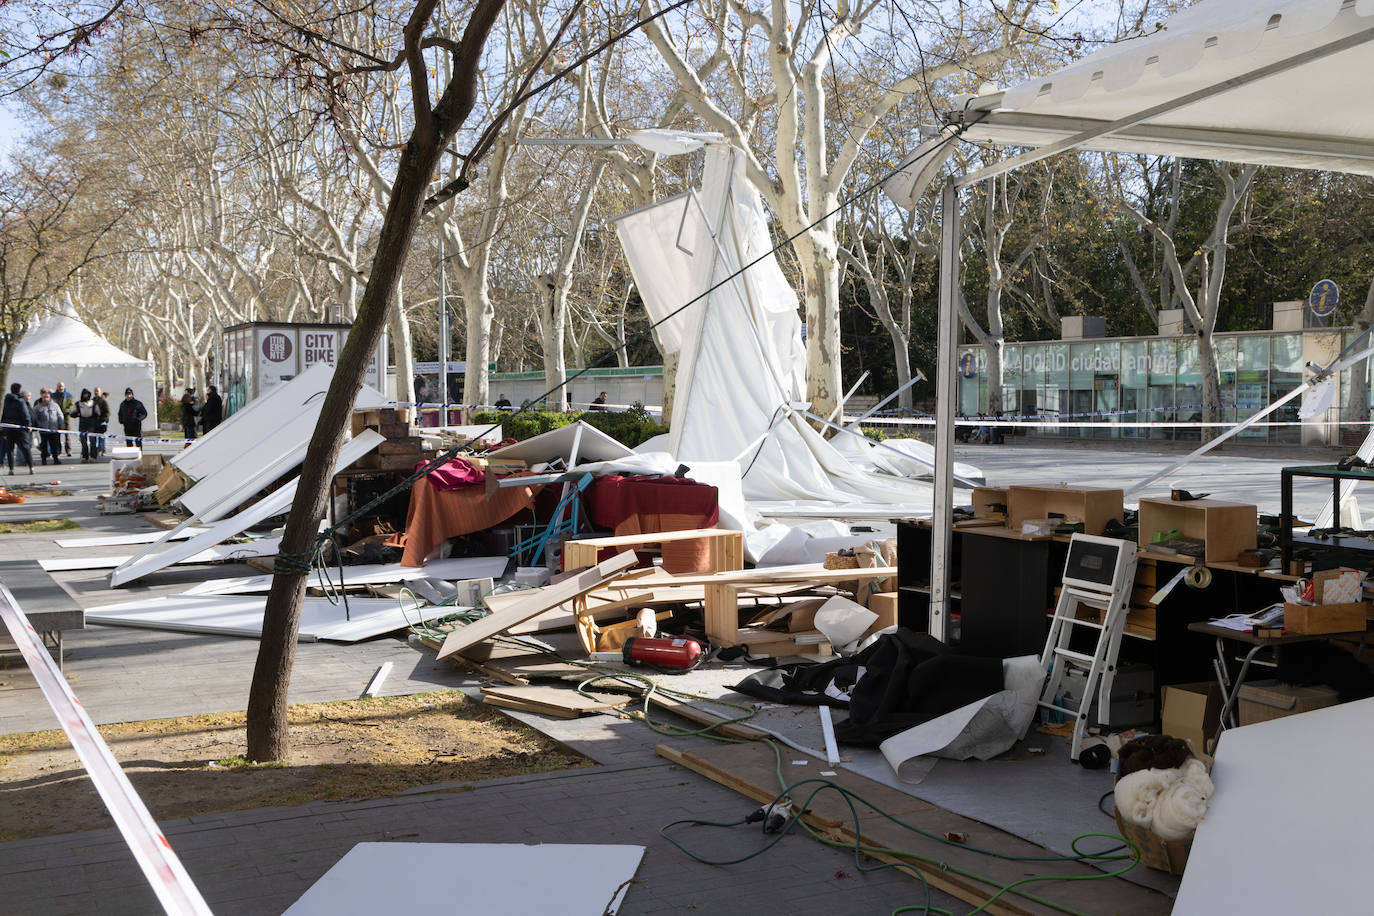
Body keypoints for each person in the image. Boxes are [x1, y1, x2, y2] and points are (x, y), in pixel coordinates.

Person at [1, 382, 33, 475]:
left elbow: (3, 415)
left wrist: (3, 429)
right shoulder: (20, 401)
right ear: (19, 390)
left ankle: (11, 469)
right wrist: (28, 425)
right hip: (20, 429)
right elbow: (25, 415)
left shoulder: (6, 401)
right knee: (26, 448)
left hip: (9, 428)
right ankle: (31, 467)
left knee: (10, 449)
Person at [32, 388, 65, 465]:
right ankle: (44, 459)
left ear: (50, 398)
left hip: (54, 429)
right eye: (44, 397)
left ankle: (56, 459)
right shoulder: (38, 407)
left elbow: (60, 415)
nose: (45, 399)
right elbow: (34, 417)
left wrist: (61, 425)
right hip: (44, 430)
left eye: (47, 397)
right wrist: (38, 425)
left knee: (54, 445)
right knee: (44, 446)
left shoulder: (55, 406)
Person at [74, 389, 99, 462]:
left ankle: (93, 456)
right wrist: (77, 414)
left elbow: (98, 413)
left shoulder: (93, 403)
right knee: (83, 440)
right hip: (82, 422)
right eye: (84, 394)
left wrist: (94, 417)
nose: (86, 396)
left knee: (92, 440)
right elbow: (72, 413)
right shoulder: (78, 403)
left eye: (87, 394)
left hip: (91, 422)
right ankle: (85, 456)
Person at [51, 380, 74, 457]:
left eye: (62, 386)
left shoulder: (69, 396)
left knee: (67, 436)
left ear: (64, 387)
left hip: (66, 418)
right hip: (56, 419)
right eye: (59, 386)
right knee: (57, 436)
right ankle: (58, 451)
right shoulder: (53, 396)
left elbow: (71, 406)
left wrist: (64, 411)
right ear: (57, 387)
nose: (61, 387)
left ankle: (69, 451)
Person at [91, 386, 110, 457]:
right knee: (95, 437)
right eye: (95, 391)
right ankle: (97, 450)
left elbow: (107, 412)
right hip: (95, 422)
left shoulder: (103, 400)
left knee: (102, 437)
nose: (96, 392)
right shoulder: (92, 400)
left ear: (100, 392)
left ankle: (103, 450)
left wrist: (103, 419)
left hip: (102, 422)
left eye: (97, 391)